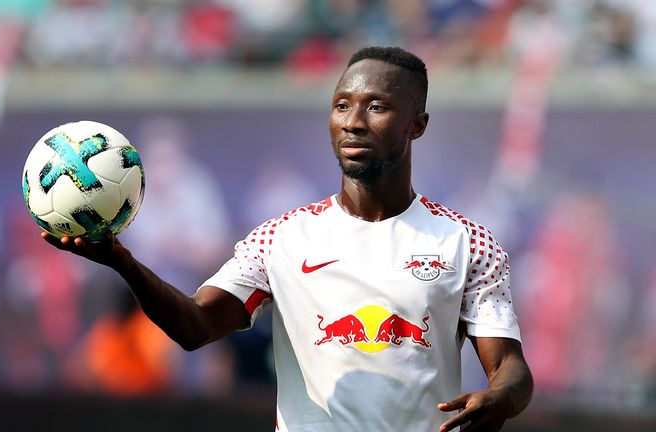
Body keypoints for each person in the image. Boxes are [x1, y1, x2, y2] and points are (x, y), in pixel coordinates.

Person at [41, 46, 533, 431]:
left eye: (377, 106)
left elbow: (510, 367)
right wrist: (123, 261)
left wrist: (501, 398)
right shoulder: (280, 238)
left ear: (417, 125)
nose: (353, 121)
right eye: (342, 105)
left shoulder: (467, 242)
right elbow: (195, 326)